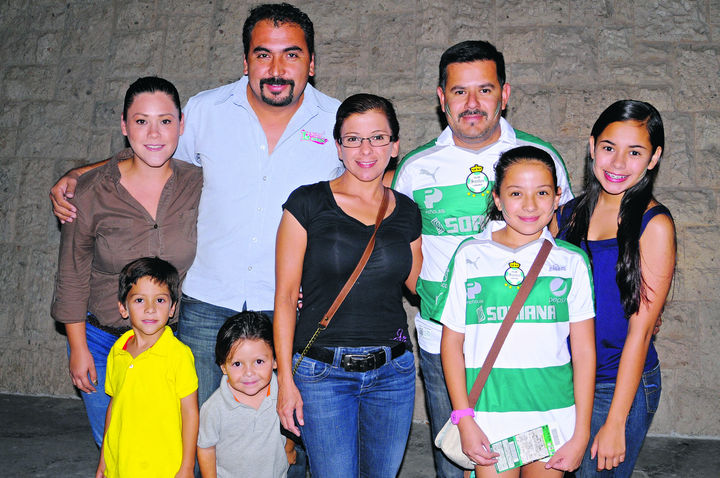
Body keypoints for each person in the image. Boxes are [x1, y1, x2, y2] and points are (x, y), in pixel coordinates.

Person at [50, 5, 338, 474]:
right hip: (205, 304)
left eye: (291, 54)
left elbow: (362, 191)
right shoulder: (205, 111)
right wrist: (80, 175)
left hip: (289, 306)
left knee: (289, 435)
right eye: (262, 54)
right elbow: (151, 151)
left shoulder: (336, 122)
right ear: (245, 61)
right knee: (200, 429)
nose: (276, 68)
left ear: (312, 62)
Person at [391, 40, 573, 478]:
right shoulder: (415, 168)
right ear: (442, 98)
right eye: (459, 91)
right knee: (456, 460)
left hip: (526, 345)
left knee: (531, 458)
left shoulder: (541, 157)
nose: (472, 103)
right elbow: (403, 250)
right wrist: (435, 300)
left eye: (485, 90)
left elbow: (561, 246)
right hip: (443, 342)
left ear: (504, 94)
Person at [274, 93, 422, 477]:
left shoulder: (408, 211)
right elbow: (286, 297)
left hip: (393, 372)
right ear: (339, 147)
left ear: (395, 145)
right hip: (322, 373)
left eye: (377, 138)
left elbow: (419, 285)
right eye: (353, 139)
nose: (366, 150)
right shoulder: (307, 203)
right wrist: (285, 380)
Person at [50, 76, 202, 447]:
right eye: (141, 121)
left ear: (181, 125)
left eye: (165, 121)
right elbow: (72, 275)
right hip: (103, 343)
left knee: (166, 448)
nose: (154, 133)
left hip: (172, 343)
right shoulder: (90, 190)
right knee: (117, 447)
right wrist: (79, 349)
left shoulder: (198, 184)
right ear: (124, 125)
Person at [440, 146, 595, 477]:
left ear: (557, 198)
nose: (529, 205)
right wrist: (464, 419)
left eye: (542, 192)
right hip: (489, 419)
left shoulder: (571, 262)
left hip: (553, 419)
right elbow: (452, 343)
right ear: (497, 199)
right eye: (516, 193)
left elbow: (584, 352)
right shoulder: (470, 255)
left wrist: (581, 434)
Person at [557, 100, 675, 477]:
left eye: (635, 152)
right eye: (609, 147)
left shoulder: (653, 226)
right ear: (592, 146)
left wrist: (615, 422)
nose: (618, 163)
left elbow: (641, 332)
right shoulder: (565, 215)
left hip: (616, 387)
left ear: (653, 158)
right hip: (563, 380)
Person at [97, 257, 198, 478]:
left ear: (172, 308)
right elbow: (114, 406)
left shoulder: (178, 355)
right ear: (123, 308)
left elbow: (190, 412)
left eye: (160, 300)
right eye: (139, 300)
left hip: (163, 467)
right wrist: (104, 459)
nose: (150, 309)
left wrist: (187, 466)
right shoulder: (118, 350)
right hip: (121, 464)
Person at [198, 311, 291, 478]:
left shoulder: (283, 393)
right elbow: (206, 448)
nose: (249, 373)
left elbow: (293, 422)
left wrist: (289, 448)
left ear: (276, 360)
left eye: (259, 361)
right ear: (223, 366)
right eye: (237, 364)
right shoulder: (213, 408)